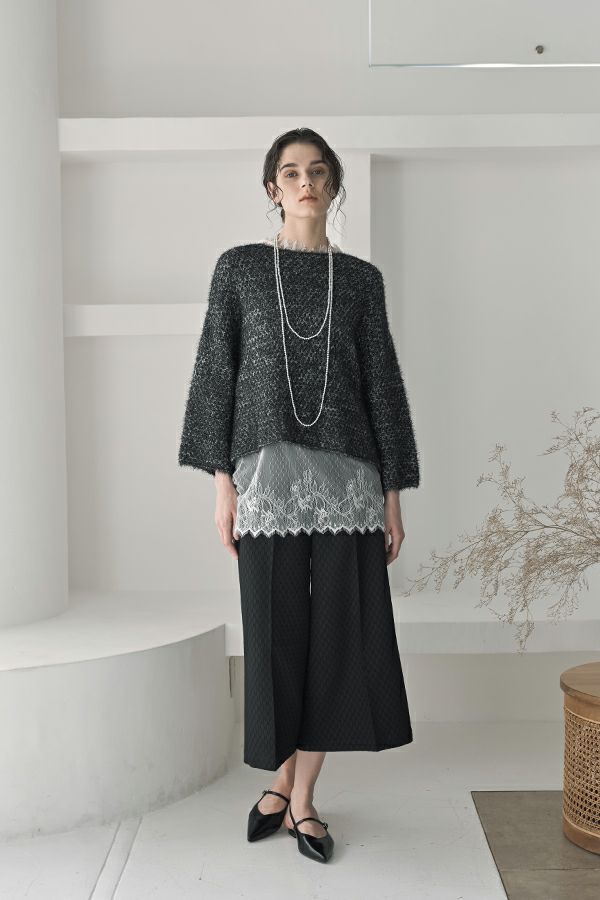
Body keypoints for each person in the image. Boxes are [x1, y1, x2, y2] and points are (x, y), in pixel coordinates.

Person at [179, 127, 421, 864]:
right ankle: (279, 782)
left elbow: (383, 387)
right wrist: (222, 485)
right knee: (275, 639)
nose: (305, 182)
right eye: (290, 172)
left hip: (349, 487)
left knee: (338, 641)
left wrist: (393, 494)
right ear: (272, 188)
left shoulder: (361, 281)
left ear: (333, 184)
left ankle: (302, 796)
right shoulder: (241, 269)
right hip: (266, 484)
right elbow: (215, 372)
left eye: (317, 171)